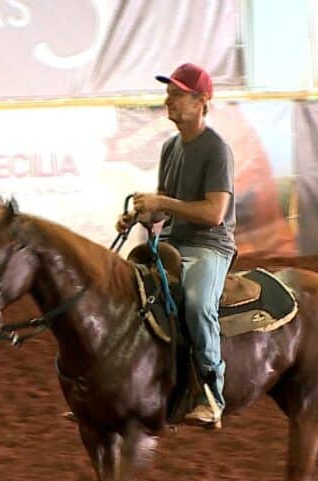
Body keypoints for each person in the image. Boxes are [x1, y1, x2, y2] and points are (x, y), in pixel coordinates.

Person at [119, 62, 236, 430]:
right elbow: (164, 209)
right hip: (173, 242)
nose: (168, 101)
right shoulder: (171, 148)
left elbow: (215, 213)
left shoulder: (216, 149)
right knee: (127, 294)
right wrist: (140, 216)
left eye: (177, 95)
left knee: (199, 304)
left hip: (209, 246)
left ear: (201, 101)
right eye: (168, 94)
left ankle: (212, 394)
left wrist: (162, 204)